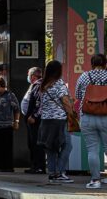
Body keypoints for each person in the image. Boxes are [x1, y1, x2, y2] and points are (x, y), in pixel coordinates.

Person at [37, 60, 75, 184]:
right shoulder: (59, 83)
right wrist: (72, 115)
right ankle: (60, 172)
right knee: (67, 145)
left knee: (51, 148)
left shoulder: (43, 84)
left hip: (46, 121)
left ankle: (52, 173)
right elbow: (65, 101)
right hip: (58, 120)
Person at [75, 53, 107, 189]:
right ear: (105, 64)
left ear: (92, 64)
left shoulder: (84, 76)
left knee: (92, 149)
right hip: (106, 115)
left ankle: (95, 180)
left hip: (87, 115)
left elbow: (77, 95)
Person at [21, 66, 46, 174]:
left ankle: (39, 166)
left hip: (35, 120)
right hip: (31, 119)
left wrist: (34, 116)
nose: (28, 77)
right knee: (32, 143)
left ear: (32, 76)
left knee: (36, 143)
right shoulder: (34, 85)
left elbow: (39, 103)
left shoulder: (39, 85)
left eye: (29, 75)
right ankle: (35, 165)